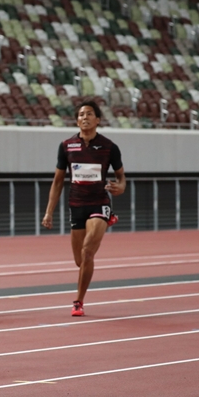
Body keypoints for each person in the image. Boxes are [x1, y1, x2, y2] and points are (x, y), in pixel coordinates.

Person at [41, 100, 126, 317]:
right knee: (80, 260)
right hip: (76, 205)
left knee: (88, 251)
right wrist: (49, 211)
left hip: (99, 202)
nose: (84, 117)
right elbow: (58, 181)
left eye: (89, 114)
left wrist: (120, 188)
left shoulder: (109, 147)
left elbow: (121, 177)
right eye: (80, 114)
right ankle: (106, 220)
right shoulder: (66, 146)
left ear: (98, 120)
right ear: (77, 120)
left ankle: (78, 301)